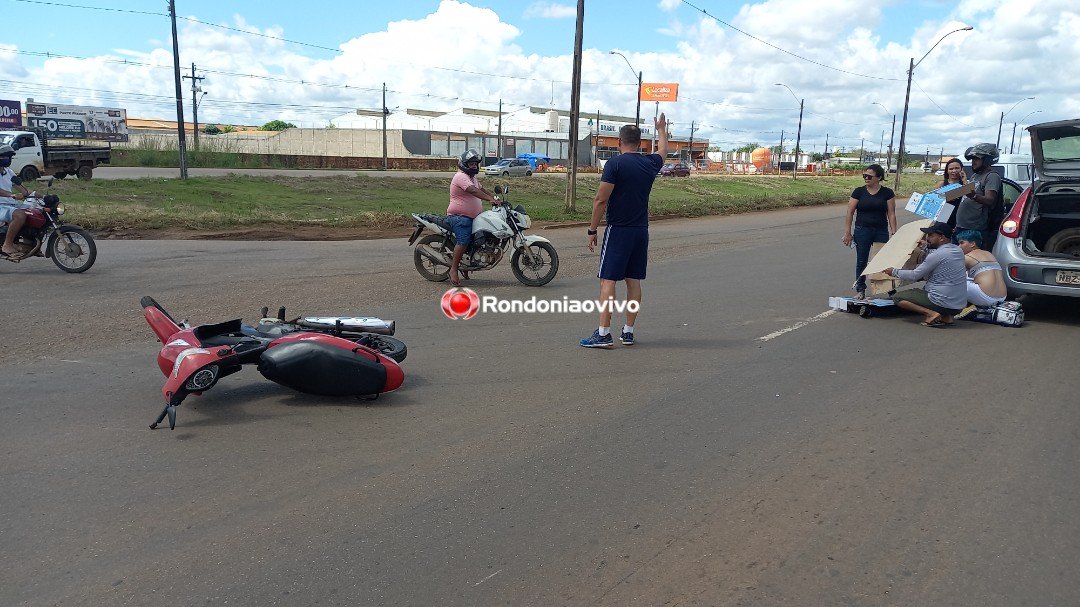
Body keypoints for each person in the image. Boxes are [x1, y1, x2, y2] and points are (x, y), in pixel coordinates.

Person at [579, 114, 667, 348]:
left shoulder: (614, 164)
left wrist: (592, 229)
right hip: (641, 230)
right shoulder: (650, 163)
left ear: (619, 141)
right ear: (640, 143)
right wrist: (661, 130)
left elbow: (600, 200)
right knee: (633, 280)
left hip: (618, 230)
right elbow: (663, 151)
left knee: (607, 281)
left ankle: (603, 334)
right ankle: (628, 331)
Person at [883, 222, 968, 327]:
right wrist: (925, 247)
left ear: (941, 238)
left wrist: (893, 271)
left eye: (931, 235)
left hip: (942, 301)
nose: (928, 238)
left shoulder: (937, 255)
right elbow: (939, 259)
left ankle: (930, 314)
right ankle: (947, 317)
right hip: (958, 305)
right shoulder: (958, 250)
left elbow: (915, 275)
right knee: (935, 287)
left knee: (898, 297)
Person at [841, 163, 897, 299]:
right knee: (862, 261)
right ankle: (860, 289)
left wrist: (894, 232)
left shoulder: (887, 193)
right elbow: (850, 212)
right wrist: (847, 232)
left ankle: (889, 289)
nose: (866, 178)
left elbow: (891, 214)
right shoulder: (858, 192)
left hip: (881, 230)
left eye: (869, 176)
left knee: (882, 259)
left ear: (879, 177)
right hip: (862, 230)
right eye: (864, 176)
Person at [446, 148, 498, 286]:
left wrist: (494, 198)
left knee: (478, 240)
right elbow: (473, 191)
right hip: (459, 217)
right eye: (471, 164)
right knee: (463, 241)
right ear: (464, 164)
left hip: (474, 217)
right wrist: (489, 199)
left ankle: (466, 264)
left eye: (475, 164)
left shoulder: (472, 178)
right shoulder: (461, 176)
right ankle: (453, 269)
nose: (474, 166)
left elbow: (481, 189)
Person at [954, 143, 1002, 251]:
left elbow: (990, 199)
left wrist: (974, 195)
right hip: (962, 226)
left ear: (987, 160)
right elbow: (966, 194)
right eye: (972, 159)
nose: (973, 161)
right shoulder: (975, 176)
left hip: (974, 229)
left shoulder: (992, 176)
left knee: (969, 258)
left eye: (977, 159)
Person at [954, 229, 1007, 315]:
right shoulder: (989, 254)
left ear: (972, 244)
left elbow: (951, 275)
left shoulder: (967, 257)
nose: (959, 246)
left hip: (985, 297)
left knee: (951, 281)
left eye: (962, 243)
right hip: (1002, 297)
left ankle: (956, 309)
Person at [0, 144, 32, 258]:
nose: (8, 159)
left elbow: (23, 190)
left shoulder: (8, 172)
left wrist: (42, 196)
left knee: (34, 211)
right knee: (19, 215)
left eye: (9, 157)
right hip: (1, 205)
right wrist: (12, 195)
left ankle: (30, 244)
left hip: (10, 204)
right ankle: (7, 245)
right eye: (5, 157)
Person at [939, 157, 966, 233]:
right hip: (944, 219)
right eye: (951, 169)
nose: (954, 171)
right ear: (947, 171)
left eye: (957, 168)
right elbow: (934, 200)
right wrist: (947, 197)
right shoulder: (942, 184)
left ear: (962, 169)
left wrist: (964, 181)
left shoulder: (966, 184)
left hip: (961, 220)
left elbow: (970, 197)